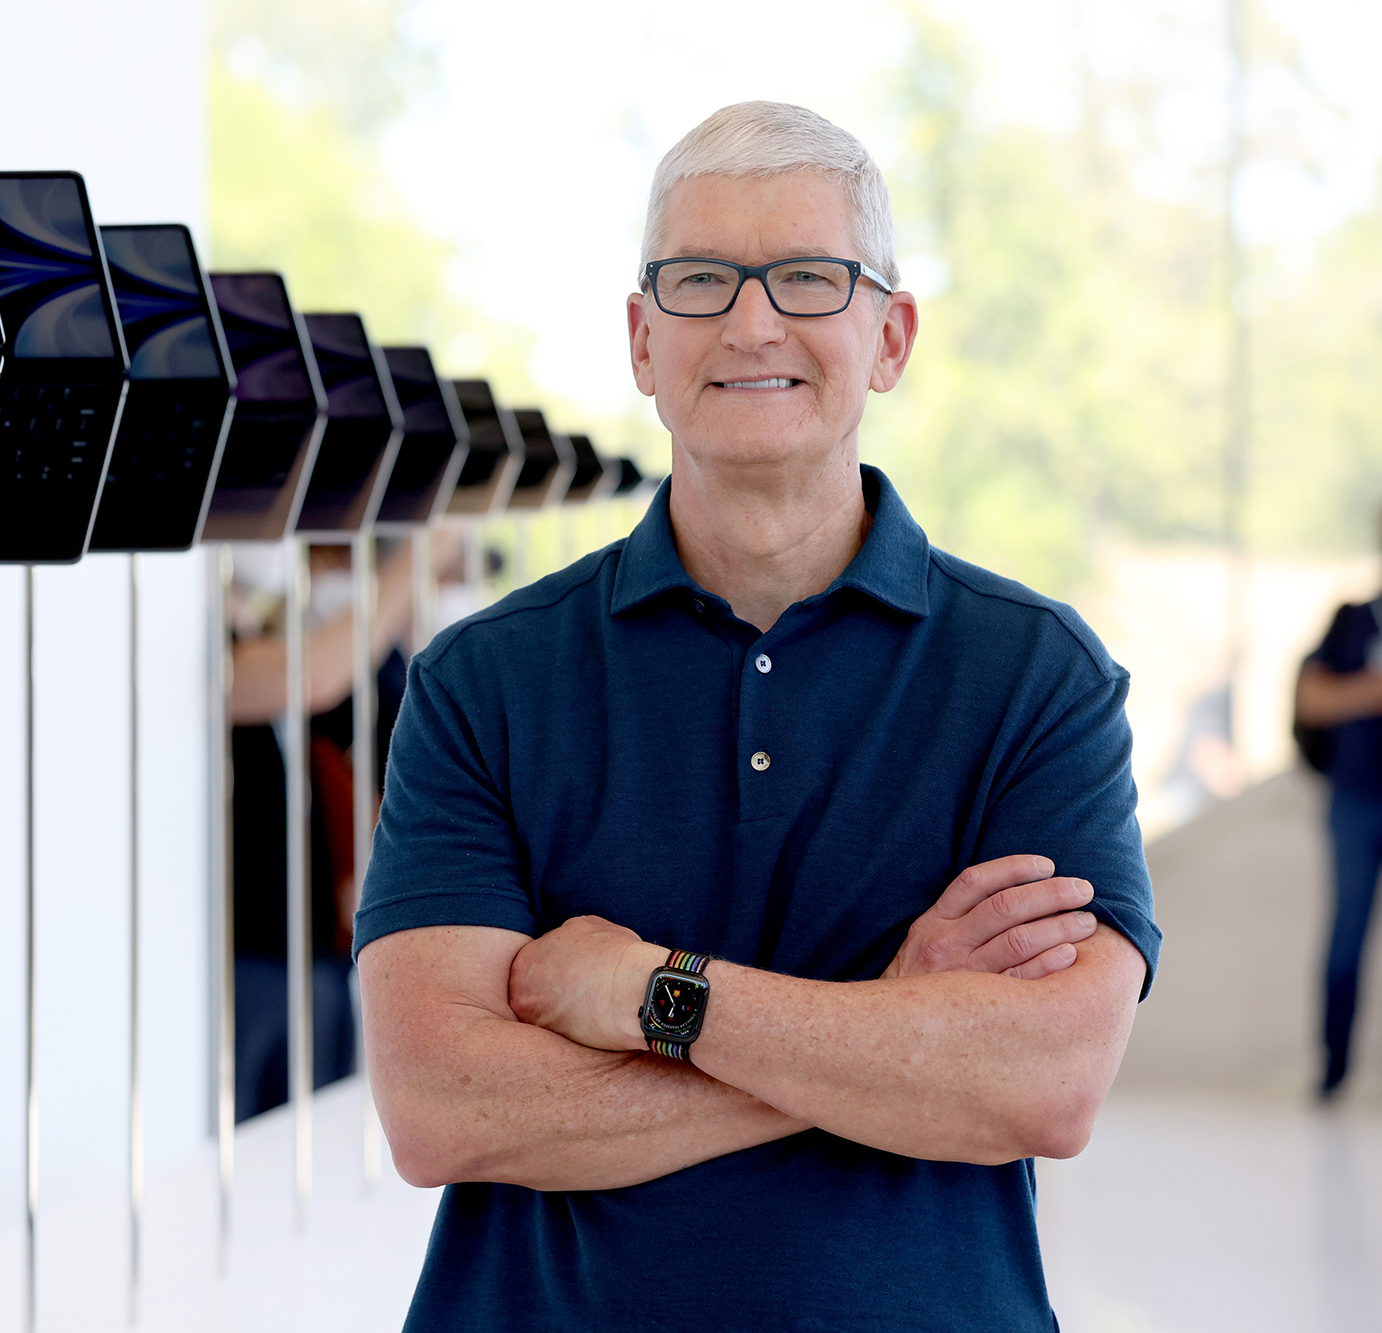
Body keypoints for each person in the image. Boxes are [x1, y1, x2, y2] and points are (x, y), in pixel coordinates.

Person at [355, 102, 1160, 1331]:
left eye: (804, 276)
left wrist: (647, 992)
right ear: (639, 337)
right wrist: (892, 1020)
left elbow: (1041, 1083)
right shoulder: (482, 682)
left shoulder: (1035, 677)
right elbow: (442, 1105)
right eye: (698, 280)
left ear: (888, 336)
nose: (747, 320)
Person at [227, 533, 458, 1119]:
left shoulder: (279, 633)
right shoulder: (209, 654)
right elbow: (311, 677)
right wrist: (412, 561)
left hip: (316, 945)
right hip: (247, 953)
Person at [1294, 537, 1382, 1098]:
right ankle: (1333, 1069)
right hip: (1356, 799)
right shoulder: (1352, 620)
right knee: (1346, 933)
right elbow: (1312, 699)